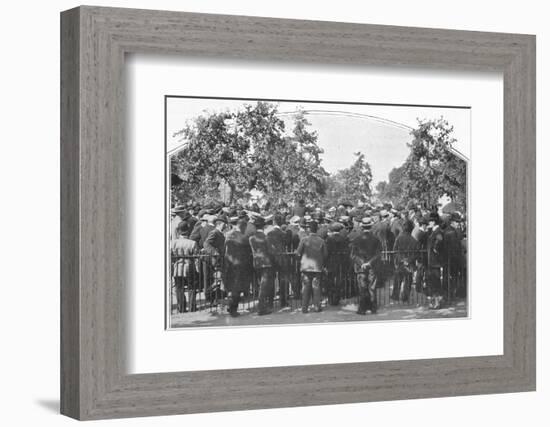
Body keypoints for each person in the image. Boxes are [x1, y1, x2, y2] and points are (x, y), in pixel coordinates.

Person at [349, 217, 382, 315]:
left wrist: (362, 263)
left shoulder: (356, 239)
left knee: (362, 288)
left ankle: (362, 309)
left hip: (360, 268)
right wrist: (369, 263)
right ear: (371, 227)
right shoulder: (376, 239)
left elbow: (353, 255)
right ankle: (373, 308)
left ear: (362, 227)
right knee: (372, 287)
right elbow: (379, 254)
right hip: (372, 267)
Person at [296, 221, 327, 313]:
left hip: (305, 267)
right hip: (317, 267)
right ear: (317, 229)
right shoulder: (321, 241)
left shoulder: (304, 240)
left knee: (305, 287)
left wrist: (300, 261)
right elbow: (325, 254)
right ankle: (317, 307)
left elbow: (298, 253)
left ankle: (304, 308)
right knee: (316, 287)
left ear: (308, 229)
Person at [248, 216, 276, 315]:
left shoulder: (251, 238)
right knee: (264, 286)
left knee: (261, 285)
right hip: (266, 263)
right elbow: (271, 250)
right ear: (263, 226)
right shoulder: (265, 237)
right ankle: (262, 308)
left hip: (256, 262)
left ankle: (262, 305)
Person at [223, 217, 250, 317]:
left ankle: (231, 305)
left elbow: (224, 250)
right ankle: (233, 309)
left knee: (231, 288)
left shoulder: (228, 235)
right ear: (243, 226)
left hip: (229, 265)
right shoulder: (244, 237)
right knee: (237, 289)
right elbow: (247, 253)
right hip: (240, 266)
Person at [171, 221, 200, 313]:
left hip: (177, 267)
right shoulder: (192, 243)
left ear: (179, 231)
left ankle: (181, 307)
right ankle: (192, 307)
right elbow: (196, 257)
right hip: (189, 267)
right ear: (188, 231)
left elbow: (170, 257)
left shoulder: (173, 243)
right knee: (192, 287)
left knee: (179, 288)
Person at [267, 213, 292, 307]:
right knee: (282, 279)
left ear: (274, 222)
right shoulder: (283, 233)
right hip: (282, 257)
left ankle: (270, 302)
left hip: (272, 258)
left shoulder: (269, 233)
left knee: (271, 280)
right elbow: (287, 243)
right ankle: (283, 301)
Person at [391, 219, 419, 303]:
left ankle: (395, 295)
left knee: (397, 279)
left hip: (400, 263)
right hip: (409, 264)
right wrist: (408, 260)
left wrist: (402, 260)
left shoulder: (398, 238)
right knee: (408, 280)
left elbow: (395, 250)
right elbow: (416, 253)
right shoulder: (414, 241)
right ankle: (405, 297)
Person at [203, 216, 227, 306]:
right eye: (225, 224)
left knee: (219, 280)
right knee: (217, 280)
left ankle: (216, 299)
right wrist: (215, 253)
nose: (226, 226)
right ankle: (211, 298)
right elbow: (206, 243)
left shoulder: (220, 233)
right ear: (220, 224)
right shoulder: (214, 232)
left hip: (220, 260)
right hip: (216, 260)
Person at [325, 222, 349, 305]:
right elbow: (347, 251)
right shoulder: (344, 238)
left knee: (330, 280)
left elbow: (326, 252)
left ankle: (331, 298)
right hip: (341, 261)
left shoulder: (329, 239)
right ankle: (337, 298)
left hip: (331, 261)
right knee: (339, 280)